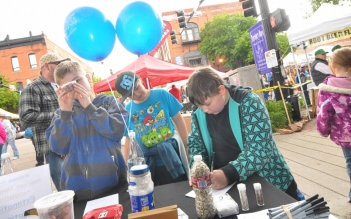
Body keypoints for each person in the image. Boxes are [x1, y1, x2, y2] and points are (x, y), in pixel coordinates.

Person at [186, 67, 304, 200]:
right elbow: (196, 143)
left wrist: (228, 174)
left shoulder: (249, 102)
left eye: (207, 104)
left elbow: (260, 149)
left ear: (221, 90)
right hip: (227, 190)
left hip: (270, 181)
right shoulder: (198, 111)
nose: (204, 110)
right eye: (200, 106)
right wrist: (197, 168)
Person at [45, 61, 128, 201]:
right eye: (68, 87)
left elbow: (117, 131)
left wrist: (90, 107)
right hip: (77, 192)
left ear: (88, 78)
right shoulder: (62, 114)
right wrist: (65, 113)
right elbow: (59, 147)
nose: (75, 88)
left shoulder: (108, 103)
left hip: (113, 186)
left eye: (77, 81)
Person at [115, 71, 189, 186]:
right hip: (147, 165)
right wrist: (125, 167)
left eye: (137, 87)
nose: (137, 93)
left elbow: (179, 120)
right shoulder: (128, 109)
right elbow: (128, 138)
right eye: (131, 94)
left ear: (141, 81)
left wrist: (186, 147)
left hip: (173, 158)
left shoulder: (162, 94)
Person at [19, 52, 70, 191]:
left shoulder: (61, 85)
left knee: (78, 186)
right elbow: (25, 117)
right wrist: (59, 114)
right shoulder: (32, 88)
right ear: (47, 66)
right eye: (58, 64)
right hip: (52, 148)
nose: (61, 66)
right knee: (65, 189)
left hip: (71, 143)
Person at [316, 47, 351, 203]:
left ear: (333, 66)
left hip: (346, 136)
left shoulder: (328, 88)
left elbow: (324, 113)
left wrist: (323, 131)